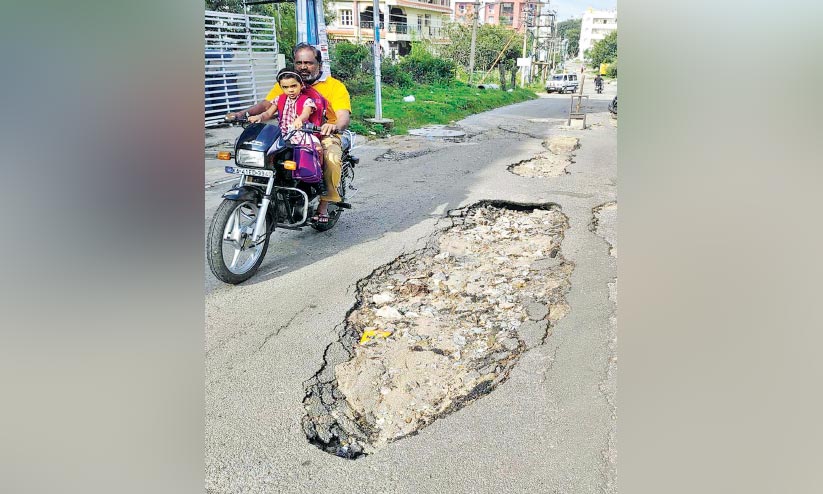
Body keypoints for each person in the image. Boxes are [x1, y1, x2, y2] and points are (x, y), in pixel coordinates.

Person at [227, 43, 351, 224]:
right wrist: (242, 114)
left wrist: (334, 126)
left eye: (308, 63)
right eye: (299, 62)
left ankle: (326, 202)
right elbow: (266, 105)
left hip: (323, 132)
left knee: (331, 157)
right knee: (263, 151)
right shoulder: (288, 82)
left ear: (319, 64)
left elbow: (343, 116)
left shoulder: (334, 86)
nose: (303, 67)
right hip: (291, 132)